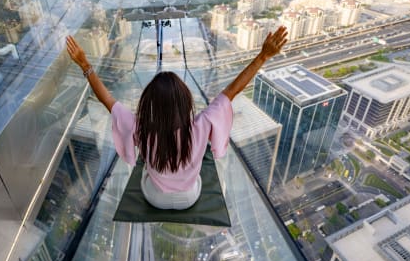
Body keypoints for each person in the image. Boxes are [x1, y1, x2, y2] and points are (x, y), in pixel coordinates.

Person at [63, 26, 290, 210]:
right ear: (185, 102)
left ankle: (157, 179)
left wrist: (85, 64)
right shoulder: (201, 126)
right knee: (194, 177)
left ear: (150, 104)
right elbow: (233, 90)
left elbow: (107, 100)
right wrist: (263, 56)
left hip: (154, 197)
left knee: (145, 172)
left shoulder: (140, 128)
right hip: (189, 197)